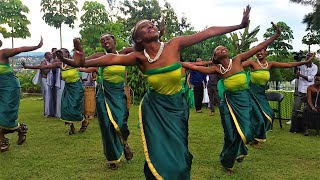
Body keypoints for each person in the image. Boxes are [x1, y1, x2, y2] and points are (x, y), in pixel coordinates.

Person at [57, 5, 251, 179]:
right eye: (144, 26)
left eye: (152, 24)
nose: (151, 25)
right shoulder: (138, 57)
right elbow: (104, 61)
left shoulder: (174, 45)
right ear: (139, 38)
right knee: (157, 149)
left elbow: (209, 32)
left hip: (177, 108)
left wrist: (239, 25)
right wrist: (78, 61)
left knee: (180, 152)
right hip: (155, 110)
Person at [181, 22, 280, 174]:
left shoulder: (239, 60)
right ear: (215, 57)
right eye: (218, 49)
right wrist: (177, 62)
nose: (222, 48)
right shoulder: (217, 68)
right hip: (227, 103)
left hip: (244, 101)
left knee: (246, 131)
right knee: (230, 133)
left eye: (223, 47)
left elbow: (257, 47)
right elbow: (194, 67)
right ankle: (228, 162)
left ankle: (240, 150)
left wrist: (275, 36)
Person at [76, 33, 134, 169]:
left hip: (119, 94)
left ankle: (124, 143)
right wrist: (77, 51)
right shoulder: (99, 56)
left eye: (107, 39)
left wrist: (158, 35)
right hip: (104, 94)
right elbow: (82, 61)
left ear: (114, 40)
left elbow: (144, 48)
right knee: (107, 125)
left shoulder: (125, 52)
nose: (105, 41)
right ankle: (113, 158)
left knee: (121, 122)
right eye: (102, 40)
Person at [242, 48, 315, 146]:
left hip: (261, 93)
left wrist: (305, 62)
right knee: (258, 117)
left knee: (270, 114)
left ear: (265, 53)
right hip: (251, 93)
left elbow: (288, 65)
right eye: (257, 51)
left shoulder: (270, 64)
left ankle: (255, 137)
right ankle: (252, 139)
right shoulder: (252, 63)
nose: (259, 52)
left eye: (261, 51)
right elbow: (236, 65)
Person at [22, 48, 89, 135]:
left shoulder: (74, 63)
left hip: (76, 87)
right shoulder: (59, 64)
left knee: (74, 107)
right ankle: (71, 128)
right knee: (65, 108)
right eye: (58, 53)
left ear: (67, 53)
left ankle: (84, 121)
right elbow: (43, 67)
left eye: (61, 53)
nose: (59, 55)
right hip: (68, 87)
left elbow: (87, 61)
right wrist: (27, 67)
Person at [0, 37, 43, 152]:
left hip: (10, 87)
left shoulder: (3, 53)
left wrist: (37, 47)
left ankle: (6, 138)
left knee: (5, 114)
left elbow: (20, 49)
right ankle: (18, 130)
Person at [287, 55, 318, 126]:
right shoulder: (301, 65)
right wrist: (297, 63)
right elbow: (295, 73)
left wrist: (301, 75)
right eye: (307, 56)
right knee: (296, 106)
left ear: (312, 58)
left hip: (309, 90)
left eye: (310, 56)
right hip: (300, 88)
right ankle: (293, 120)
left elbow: (310, 78)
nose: (308, 57)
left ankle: (306, 121)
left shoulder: (315, 67)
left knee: (306, 107)